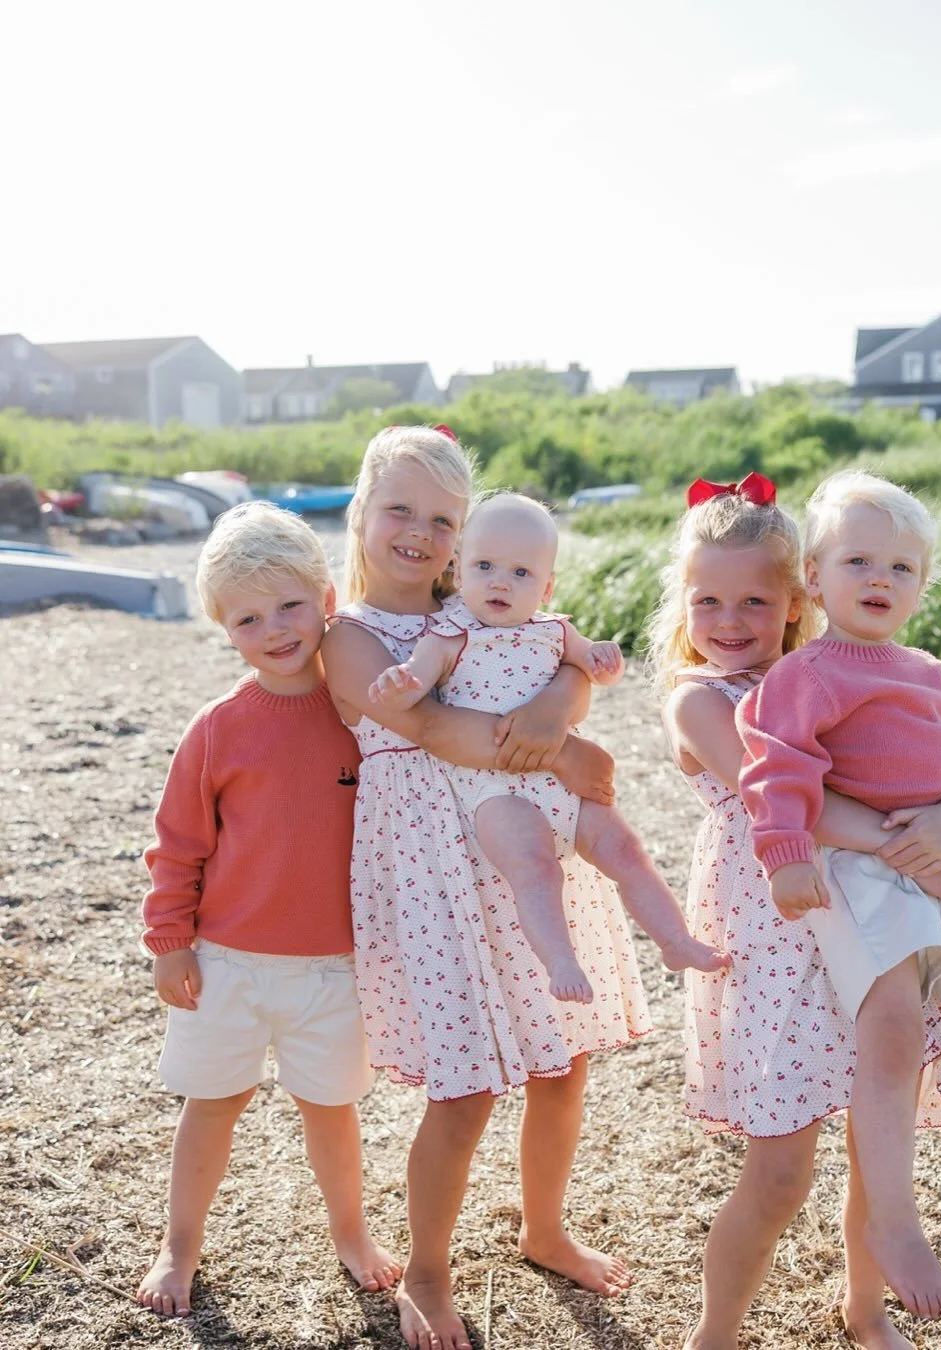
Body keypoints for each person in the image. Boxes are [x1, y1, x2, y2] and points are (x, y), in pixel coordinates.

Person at [321, 425, 651, 1350]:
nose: (419, 533)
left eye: (441, 519)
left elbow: (562, 660)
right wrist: (564, 745)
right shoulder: (350, 640)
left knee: (561, 1059)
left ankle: (544, 1228)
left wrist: (559, 705)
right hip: (433, 865)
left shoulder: (479, 599)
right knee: (464, 1087)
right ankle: (427, 1270)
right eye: (400, 510)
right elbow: (441, 732)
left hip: (524, 845)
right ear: (360, 512)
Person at [649, 472, 941, 1350]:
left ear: (797, 600)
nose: (729, 619)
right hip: (775, 935)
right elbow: (781, 804)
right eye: (707, 599)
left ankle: (864, 1307)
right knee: (781, 1170)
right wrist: (904, 838)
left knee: (882, 1139)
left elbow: (927, 766)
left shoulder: (828, 675)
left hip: (869, 925)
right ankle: (714, 1333)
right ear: (683, 605)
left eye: (754, 599)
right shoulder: (699, 699)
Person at [737, 469, 941, 1322]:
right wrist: (787, 853)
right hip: (860, 874)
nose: (879, 579)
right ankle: (894, 1224)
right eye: (858, 561)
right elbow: (777, 766)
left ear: (922, 585)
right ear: (815, 579)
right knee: (895, 1031)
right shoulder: (807, 673)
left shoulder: (934, 675)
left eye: (901, 568)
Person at [137, 503, 399, 1318]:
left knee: (332, 1111)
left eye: (289, 606)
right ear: (226, 631)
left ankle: (350, 1232)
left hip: (334, 967)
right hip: (228, 963)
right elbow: (177, 844)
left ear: (326, 598)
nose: (275, 628)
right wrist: (169, 942)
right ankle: (180, 1247)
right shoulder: (217, 729)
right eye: (250, 618)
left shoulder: (361, 714)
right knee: (212, 1105)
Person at [368, 490, 727, 1003]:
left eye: (521, 573)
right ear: (459, 572)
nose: (500, 581)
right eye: (485, 566)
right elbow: (417, 678)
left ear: (547, 586)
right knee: (534, 867)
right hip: (495, 788)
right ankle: (561, 961)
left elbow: (594, 670)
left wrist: (605, 659)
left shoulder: (556, 631)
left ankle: (675, 940)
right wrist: (401, 681)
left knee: (626, 850)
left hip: (566, 783)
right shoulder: (449, 635)